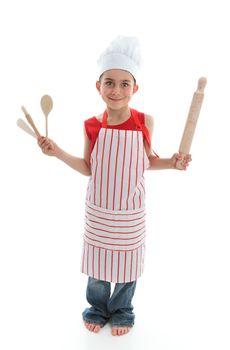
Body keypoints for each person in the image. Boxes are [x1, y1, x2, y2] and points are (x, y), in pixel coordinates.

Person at [38, 36, 191, 336]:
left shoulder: (145, 121)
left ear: (135, 89)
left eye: (124, 84)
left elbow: (147, 160)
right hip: (99, 210)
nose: (116, 90)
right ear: (98, 86)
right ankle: (97, 307)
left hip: (131, 210)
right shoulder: (91, 125)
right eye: (110, 82)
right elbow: (87, 168)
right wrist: (56, 152)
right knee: (97, 266)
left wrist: (172, 162)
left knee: (127, 266)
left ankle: (122, 309)